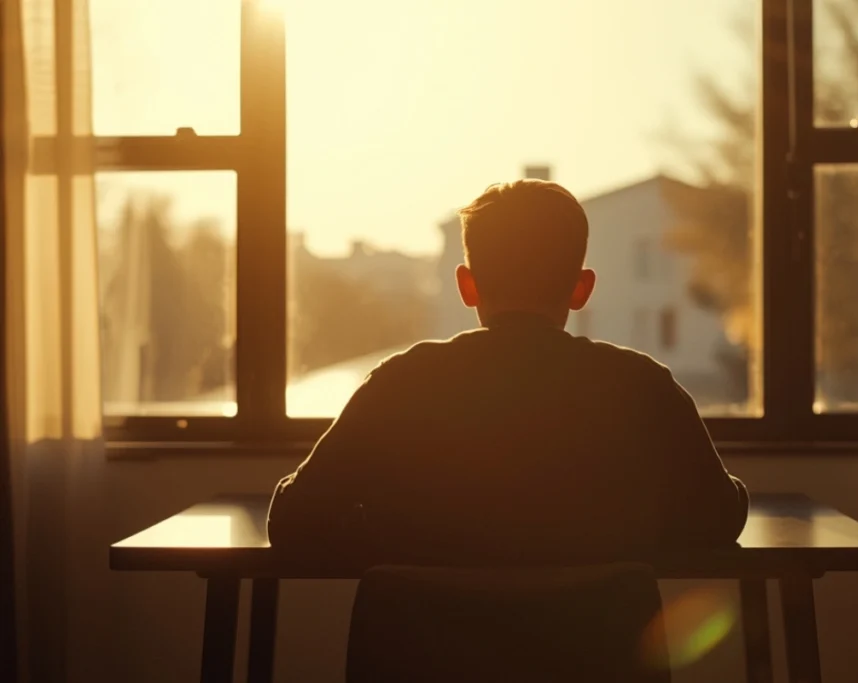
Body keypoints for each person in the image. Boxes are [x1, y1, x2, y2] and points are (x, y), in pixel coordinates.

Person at [268, 179, 749, 563]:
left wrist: (388, 523)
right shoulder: (642, 387)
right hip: (599, 660)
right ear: (582, 290)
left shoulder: (401, 383)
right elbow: (719, 516)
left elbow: (294, 521)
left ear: (466, 286)